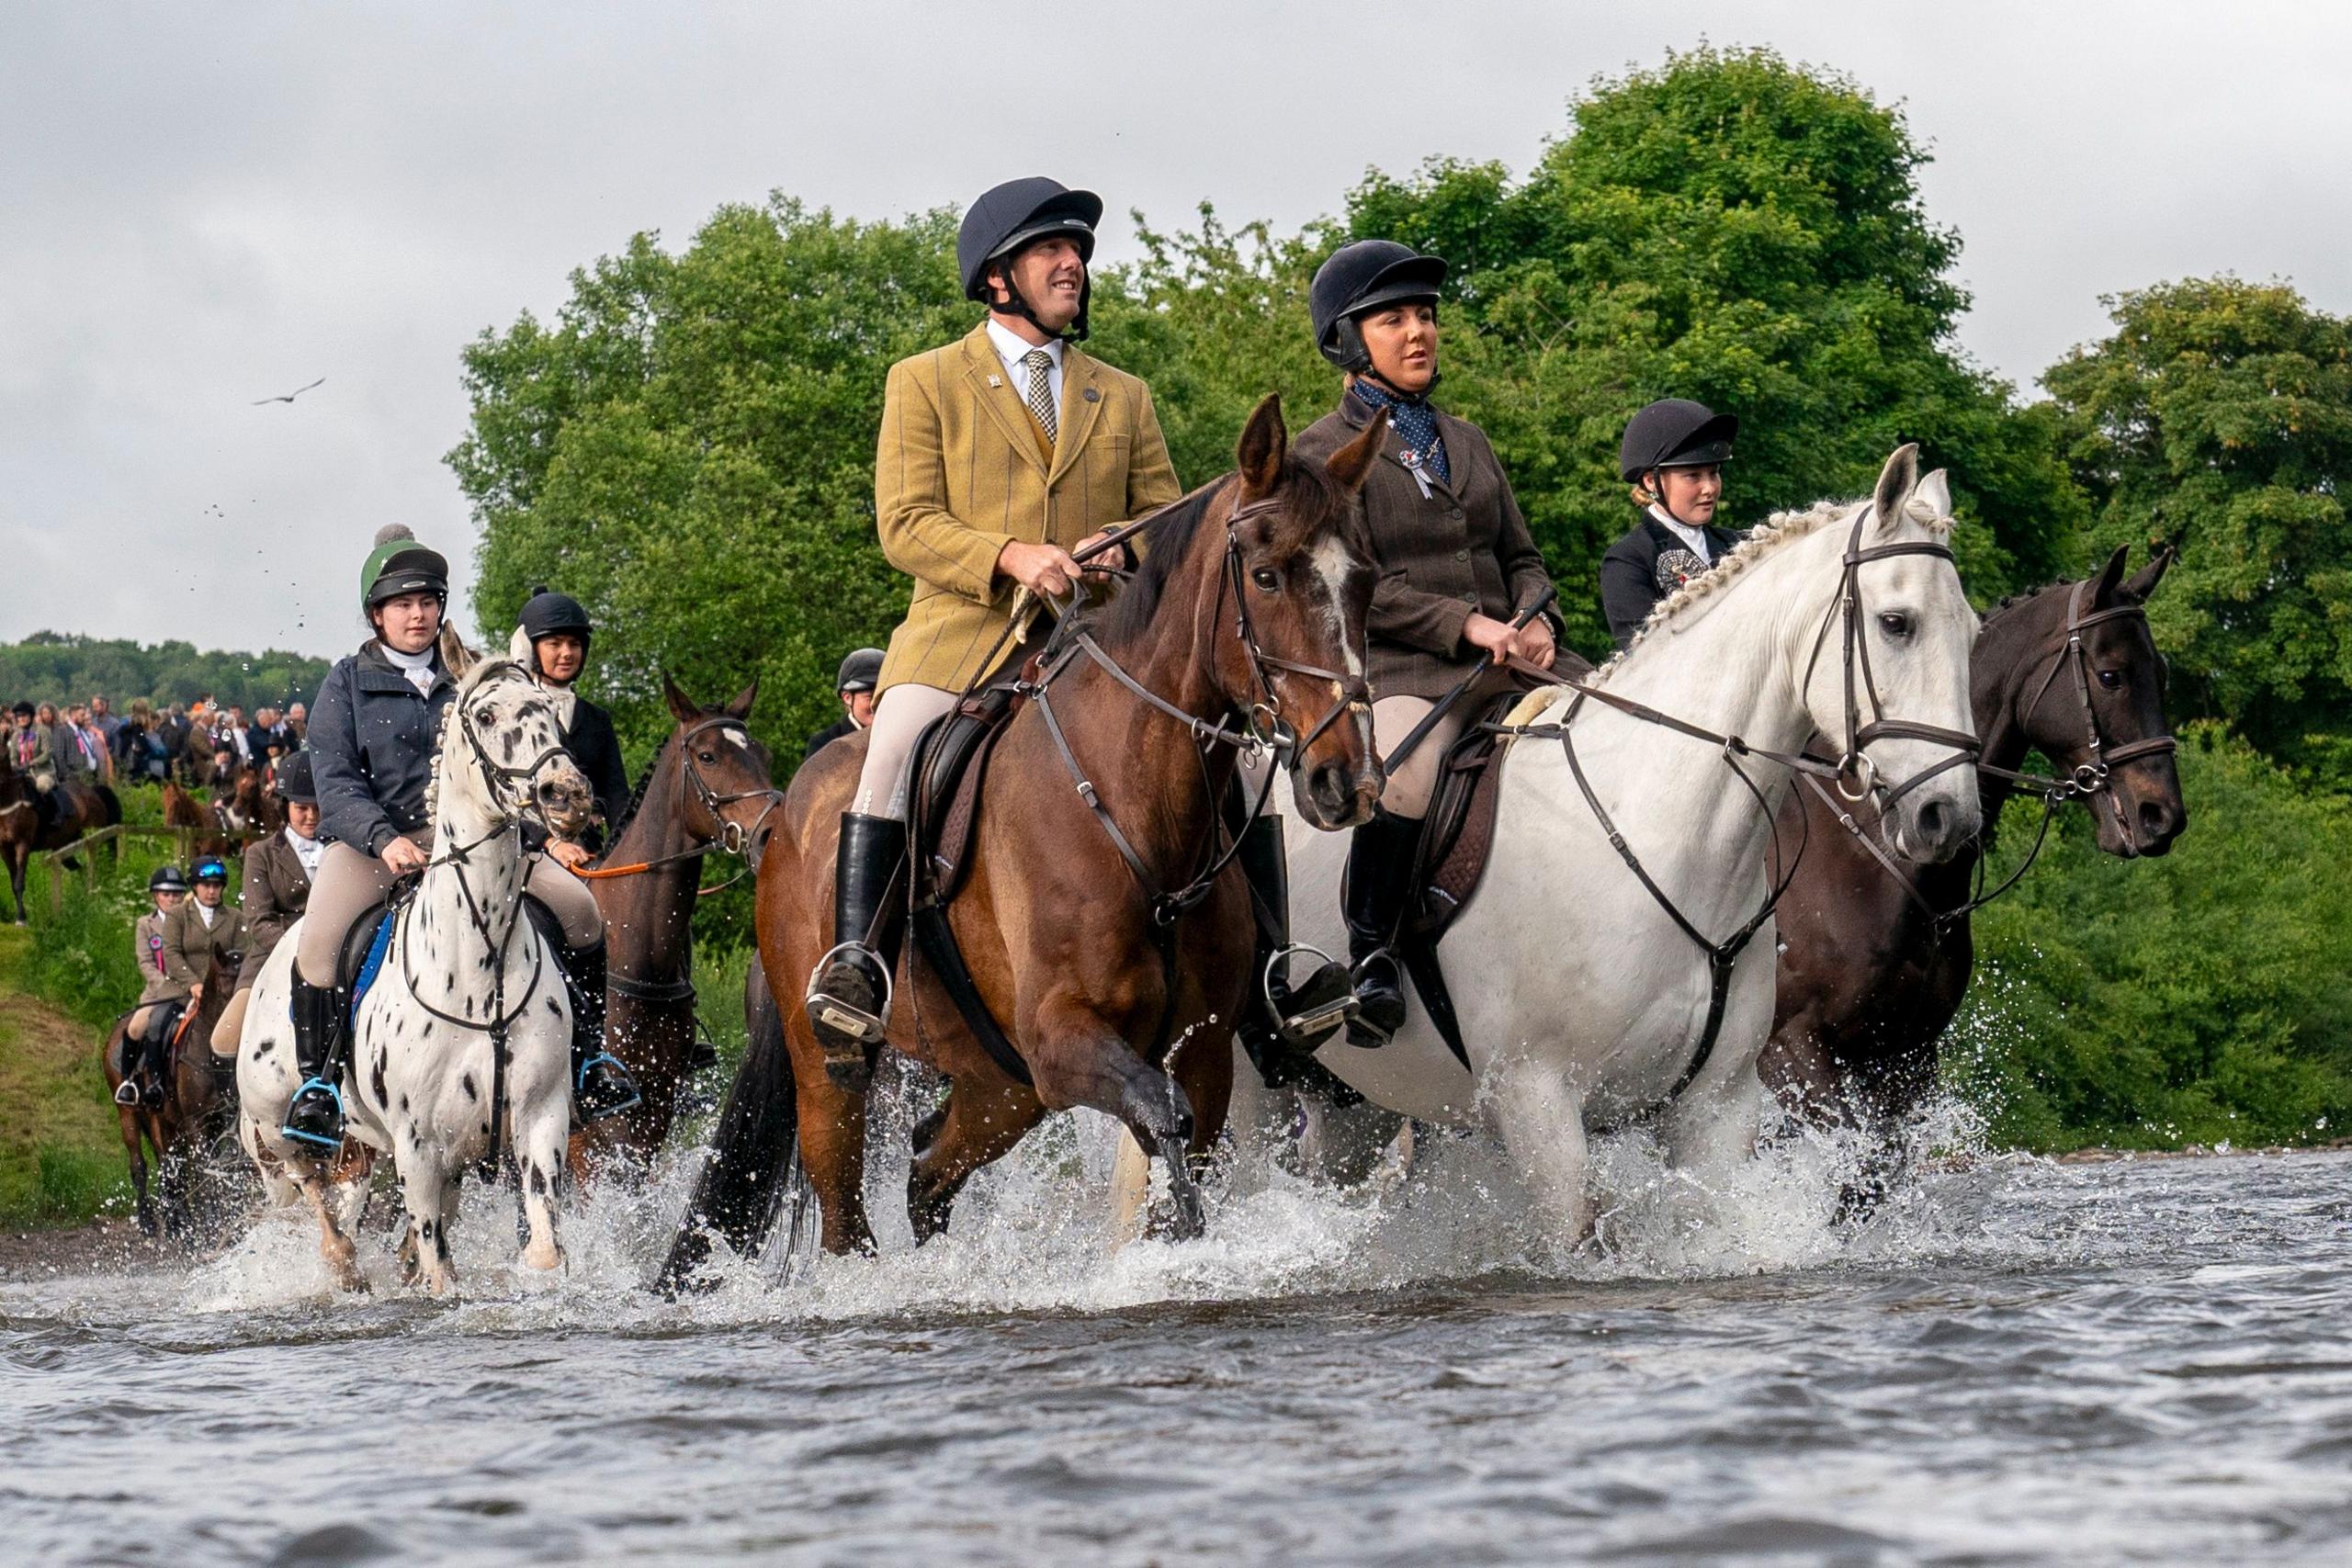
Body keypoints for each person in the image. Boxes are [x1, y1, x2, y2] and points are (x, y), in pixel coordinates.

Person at [802, 175, 1183, 1055]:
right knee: (891, 751)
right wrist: (1011, 556)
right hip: (963, 639)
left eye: (1077, 249)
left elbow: (1166, 520)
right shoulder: (926, 380)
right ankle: (858, 966)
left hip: (1100, 643)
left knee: (1216, 755)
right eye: (1051, 248)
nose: (1073, 263)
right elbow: (904, 523)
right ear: (997, 276)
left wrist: (1119, 547)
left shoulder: (1121, 393)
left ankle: (1279, 967)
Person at [285, 524, 637, 1149]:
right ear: (377, 614)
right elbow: (333, 779)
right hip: (378, 842)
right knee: (317, 946)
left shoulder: (476, 674)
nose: (417, 615)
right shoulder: (346, 682)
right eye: (402, 604)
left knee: (582, 914)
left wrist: (543, 830)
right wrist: (382, 838)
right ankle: (320, 1087)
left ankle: (589, 1063)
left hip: (487, 841)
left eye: (426, 602)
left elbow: (517, 758)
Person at [1296, 240, 1562, 1047]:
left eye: (1426, 317)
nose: (1419, 332)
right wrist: (1464, 624)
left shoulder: (1469, 440)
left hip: (1514, 658)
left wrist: (1535, 612)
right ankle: (1370, 952)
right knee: (1406, 775)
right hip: (1410, 667)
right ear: (1349, 341)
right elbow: (1355, 583)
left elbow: (1521, 555)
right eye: (1393, 319)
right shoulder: (1319, 456)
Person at [1598, 399, 1743, 649]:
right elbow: (1643, 655)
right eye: (1693, 476)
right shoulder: (1628, 560)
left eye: (1714, 473)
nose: (1709, 488)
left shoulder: (1739, 544)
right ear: (1652, 482)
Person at [213, 753, 322, 1080]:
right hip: (272, 955)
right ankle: (234, 1111)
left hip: (333, 955)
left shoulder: (340, 850)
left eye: (317, 808)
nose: (310, 817)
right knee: (225, 1038)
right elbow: (260, 923)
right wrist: (304, 948)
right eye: (302, 809)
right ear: (285, 807)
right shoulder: (261, 854)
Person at [507, 588, 629, 858]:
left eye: (574, 644)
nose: (566, 653)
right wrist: (551, 843)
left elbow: (617, 795)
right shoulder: (516, 716)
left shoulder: (597, 719)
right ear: (531, 650)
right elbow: (510, 797)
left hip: (589, 850)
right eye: (555, 643)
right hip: (529, 850)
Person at [802, 648, 883, 765]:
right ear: (847, 697)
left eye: (884, 698)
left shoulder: (902, 741)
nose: (878, 706)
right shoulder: (823, 744)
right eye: (870, 698)